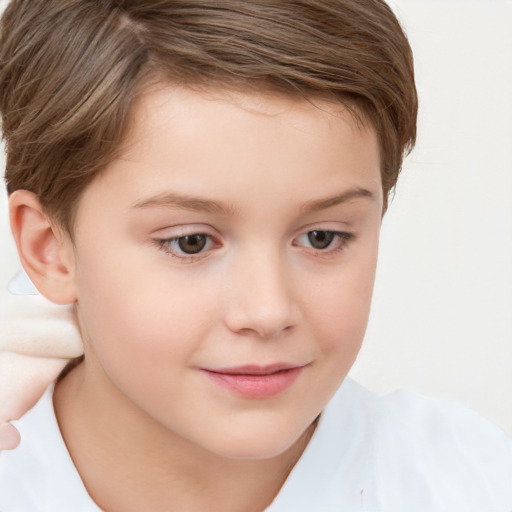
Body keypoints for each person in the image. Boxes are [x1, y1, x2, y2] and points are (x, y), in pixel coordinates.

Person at [0, 1, 510, 511]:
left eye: (322, 237)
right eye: (190, 242)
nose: (268, 312)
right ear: (50, 249)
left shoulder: (473, 484)